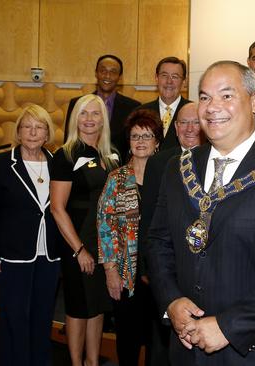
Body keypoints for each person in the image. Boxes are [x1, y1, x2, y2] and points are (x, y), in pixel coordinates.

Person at [147, 60, 255, 365]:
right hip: (185, 347)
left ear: (254, 101)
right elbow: (159, 241)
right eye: (204, 97)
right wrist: (172, 300)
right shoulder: (177, 168)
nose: (212, 106)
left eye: (226, 95)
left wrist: (229, 326)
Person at [0, 104, 60, 366]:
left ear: (47, 133)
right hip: (13, 256)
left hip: (49, 256)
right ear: (18, 131)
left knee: (42, 317)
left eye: (39, 127)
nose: (33, 132)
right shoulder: (2, 163)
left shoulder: (57, 163)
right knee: (14, 318)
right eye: (27, 126)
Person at [50, 94, 120, 366]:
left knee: (98, 306)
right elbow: (57, 208)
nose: (89, 119)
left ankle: (93, 362)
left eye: (95, 113)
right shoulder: (66, 155)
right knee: (79, 307)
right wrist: (79, 249)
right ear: (75, 119)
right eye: (83, 113)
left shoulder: (112, 154)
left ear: (104, 118)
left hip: (105, 245)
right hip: (77, 242)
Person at [138, 102, 203, 366]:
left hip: (200, 266)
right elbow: (150, 216)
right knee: (162, 337)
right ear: (175, 128)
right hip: (166, 264)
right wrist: (147, 265)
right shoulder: (160, 162)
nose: (189, 129)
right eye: (183, 123)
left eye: (195, 122)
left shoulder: (216, 160)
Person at [97, 109, 163, 365]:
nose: (140, 141)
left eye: (147, 136)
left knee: (157, 339)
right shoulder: (117, 178)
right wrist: (110, 271)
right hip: (126, 273)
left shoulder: (167, 176)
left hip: (160, 271)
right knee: (128, 339)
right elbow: (105, 226)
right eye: (135, 136)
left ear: (157, 141)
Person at [65, 54, 141, 162]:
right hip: (80, 166)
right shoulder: (77, 103)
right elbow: (69, 140)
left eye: (113, 72)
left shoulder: (133, 107)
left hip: (119, 168)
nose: (107, 76)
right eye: (103, 71)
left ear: (120, 77)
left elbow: (134, 143)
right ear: (96, 73)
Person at [138, 56, 191, 150]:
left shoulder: (194, 112)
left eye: (175, 76)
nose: (169, 81)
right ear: (156, 78)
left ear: (184, 82)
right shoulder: (141, 112)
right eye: (164, 75)